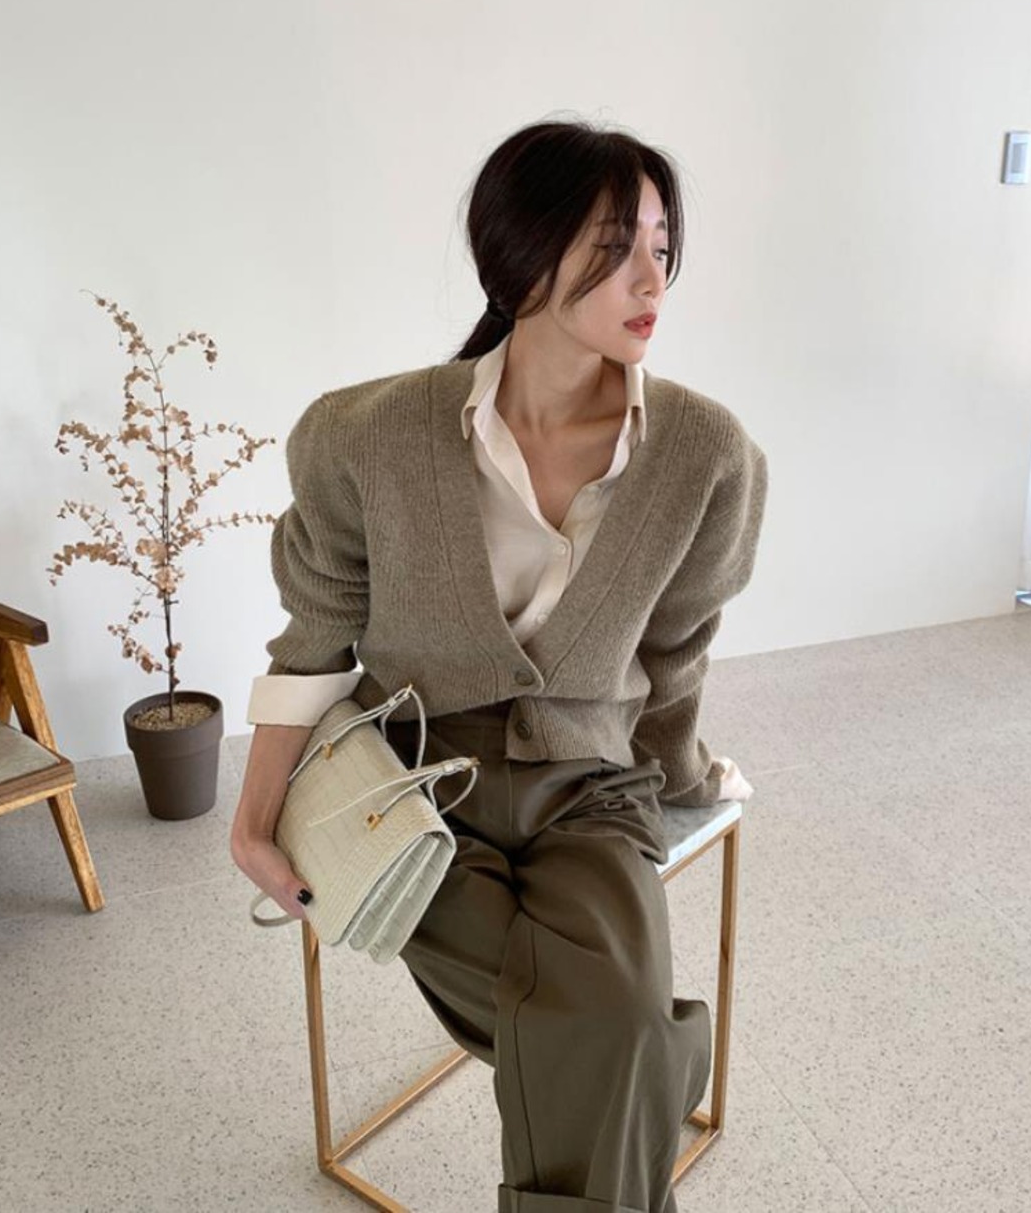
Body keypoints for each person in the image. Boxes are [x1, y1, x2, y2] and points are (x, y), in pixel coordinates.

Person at [231, 117, 768, 1213]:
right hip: (409, 785)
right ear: (520, 260)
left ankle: (642, 1060)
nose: (650, 279)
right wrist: (253, 821)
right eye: (614, 247)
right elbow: (314, 637)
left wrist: (682, 780)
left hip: (590, 786)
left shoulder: (707, 455)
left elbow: (673, 652)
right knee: (610, 1030)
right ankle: (650, 1064)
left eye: (662, 246)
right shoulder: (362, 435)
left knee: (593, 1029)